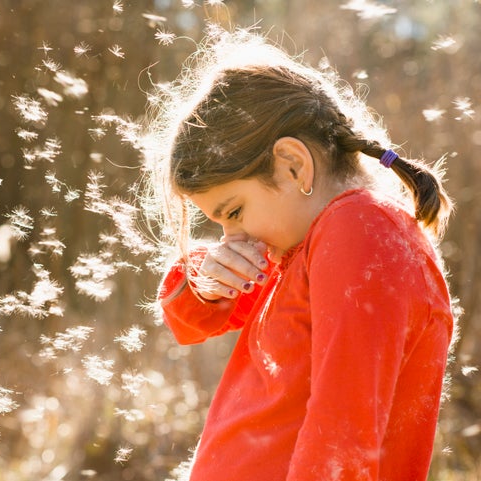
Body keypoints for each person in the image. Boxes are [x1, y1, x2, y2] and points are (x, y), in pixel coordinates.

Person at [142, 28, 456, 481]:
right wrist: (207, 281)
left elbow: (342, 440)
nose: (233, 237)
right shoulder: (311, 239)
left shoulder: (357, 233)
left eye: (234, 211)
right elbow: (190, 318)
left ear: (293, 165)